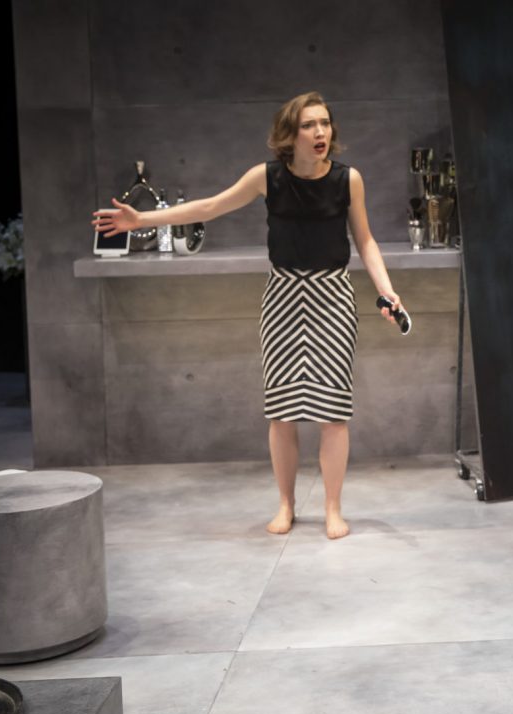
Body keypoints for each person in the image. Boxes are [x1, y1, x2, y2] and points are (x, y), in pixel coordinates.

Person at [93, 91, 406, 540]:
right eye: (308, 125)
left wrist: (386, 290)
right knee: (281, 411)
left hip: (333, 296)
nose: (319, 132)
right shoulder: (267, 177)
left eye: (324, 123)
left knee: (334, 410)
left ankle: (333, 508)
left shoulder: (347, 179)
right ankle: (286, 504)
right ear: (290, 134)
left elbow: (366, 240)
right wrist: (141, 220)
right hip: (282, 296)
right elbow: (210, 206)